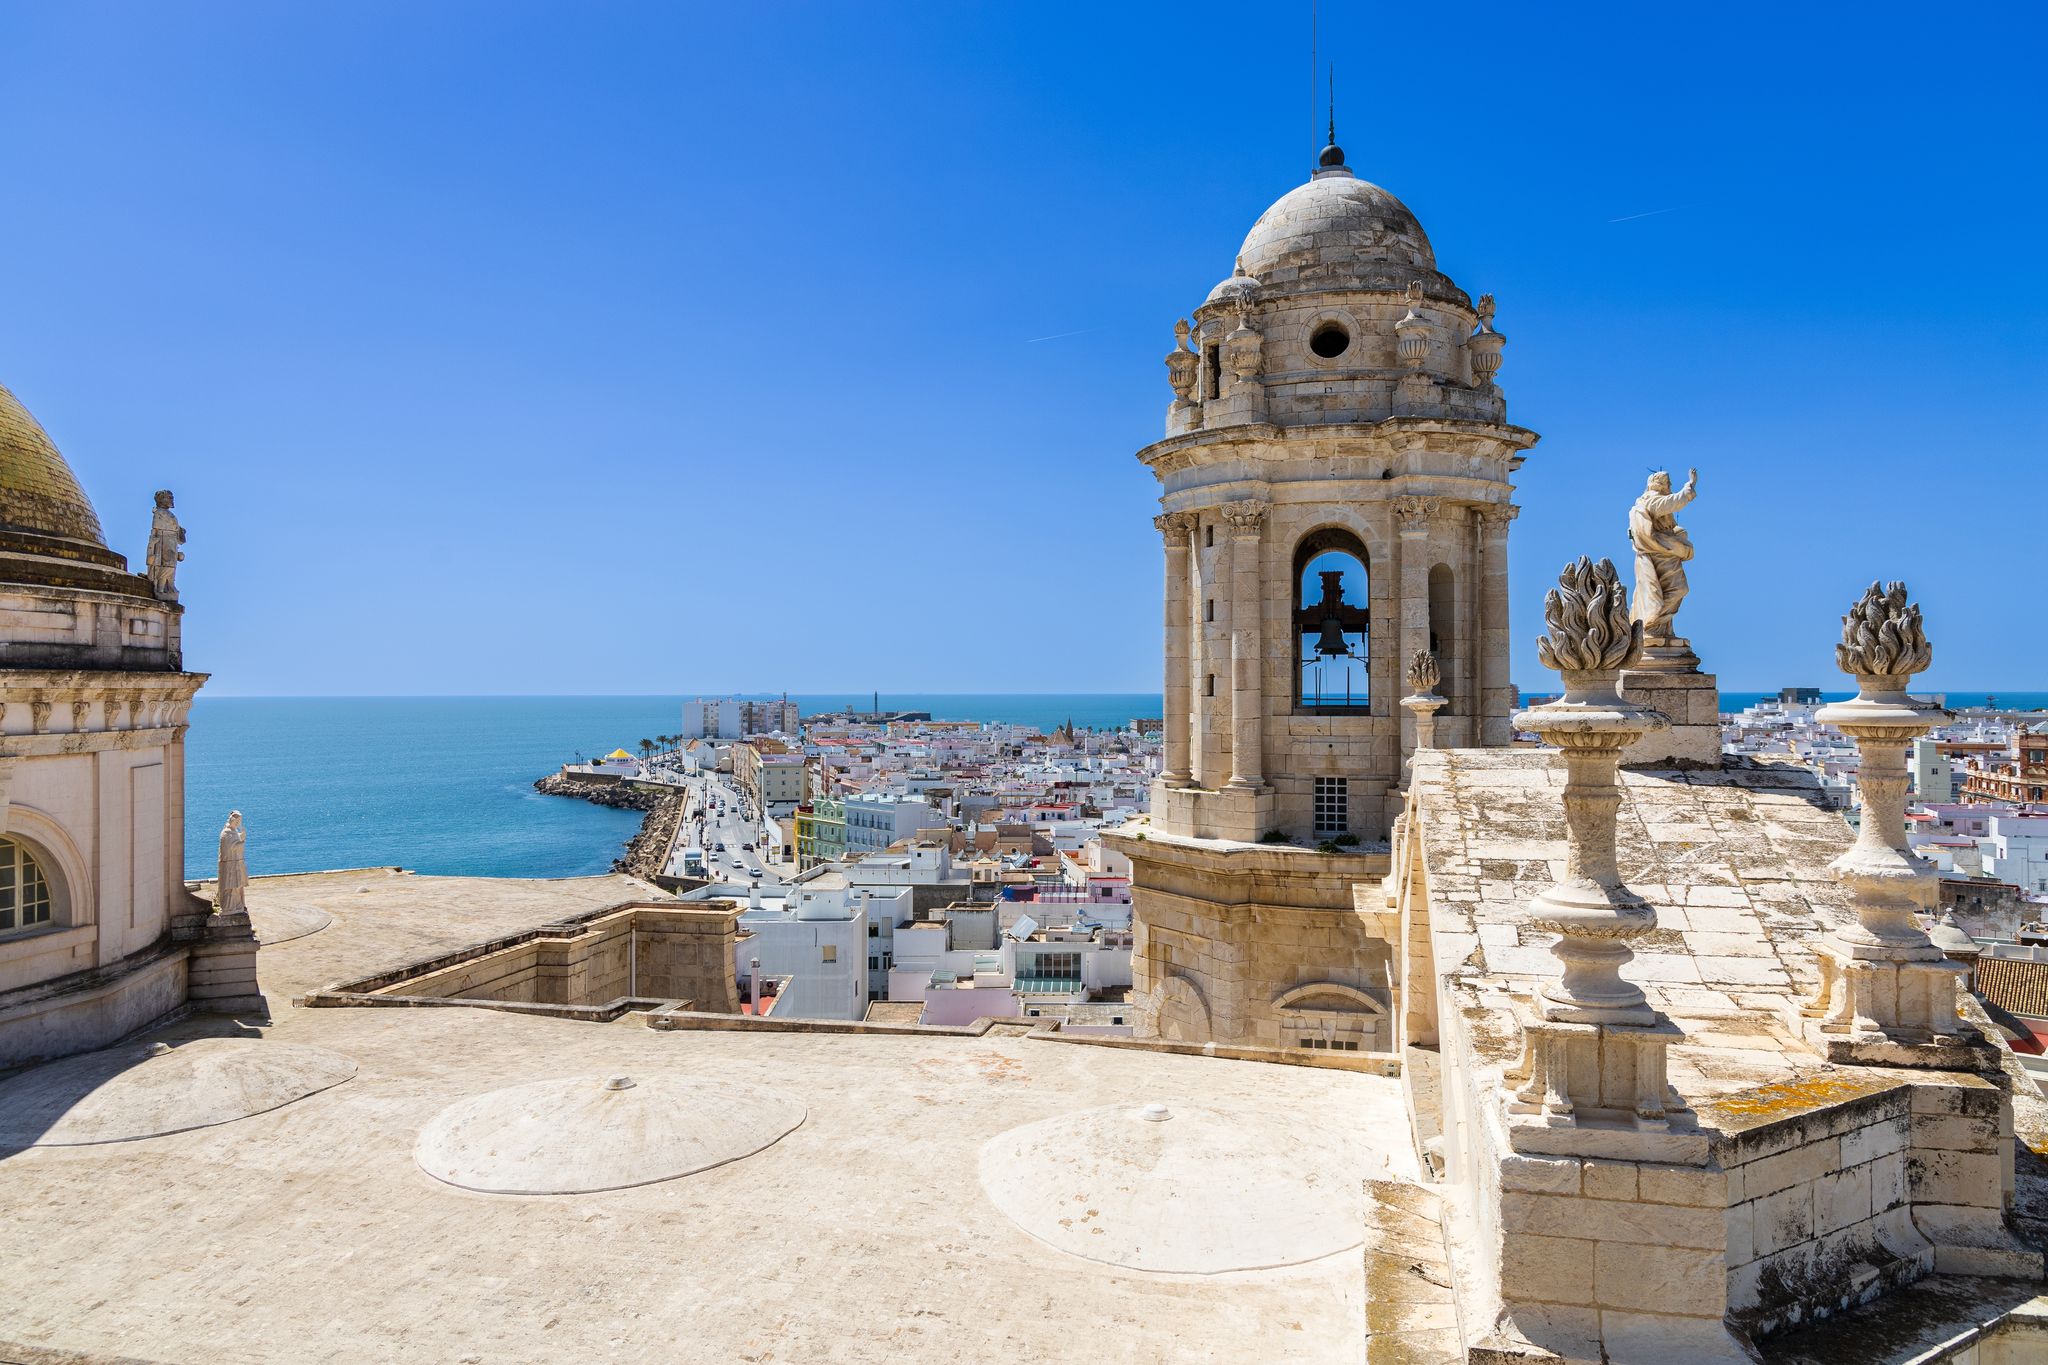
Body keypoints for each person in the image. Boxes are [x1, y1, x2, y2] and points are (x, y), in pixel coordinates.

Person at [1628, 468, 1699, 644]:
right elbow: (1674, 501)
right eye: (1669, 484)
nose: (1670, 487)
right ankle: (1650, 623)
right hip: (1661, 553)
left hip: (1667, 552)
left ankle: (1658, 627)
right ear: (1662, 484)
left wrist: (1679, 535)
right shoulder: (1652, 500)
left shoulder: (1654, 502)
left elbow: (1670, 524)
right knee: (1677, 589)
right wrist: (1688, 487)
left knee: (1668, 591)